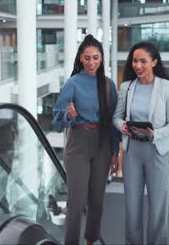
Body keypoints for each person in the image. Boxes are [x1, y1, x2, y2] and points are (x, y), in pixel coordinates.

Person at [52, 34, 120, 245]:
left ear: (101, 59)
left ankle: (91, 240)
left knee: (97, 200)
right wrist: (68, 116)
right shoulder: (72, 83)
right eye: (88, 58)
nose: (92, 63)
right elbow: (56, 122)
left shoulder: (109, 85)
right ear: (81, 58)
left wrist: (115, 153)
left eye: (96, 58)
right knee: (76, 200)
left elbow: (114, 121)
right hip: (78, 143)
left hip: (103, 143)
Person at [112, 42, 169, 244]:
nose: (138, 65)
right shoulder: (127, 87)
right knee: (132, 208)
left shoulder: (168, 87)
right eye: (134, 60)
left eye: (143, 61)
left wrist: (155, 134)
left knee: (158, 207)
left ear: (154, 62)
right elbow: (116, 117)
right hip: (132, 153)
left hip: (157, 153)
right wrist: (122, 126)